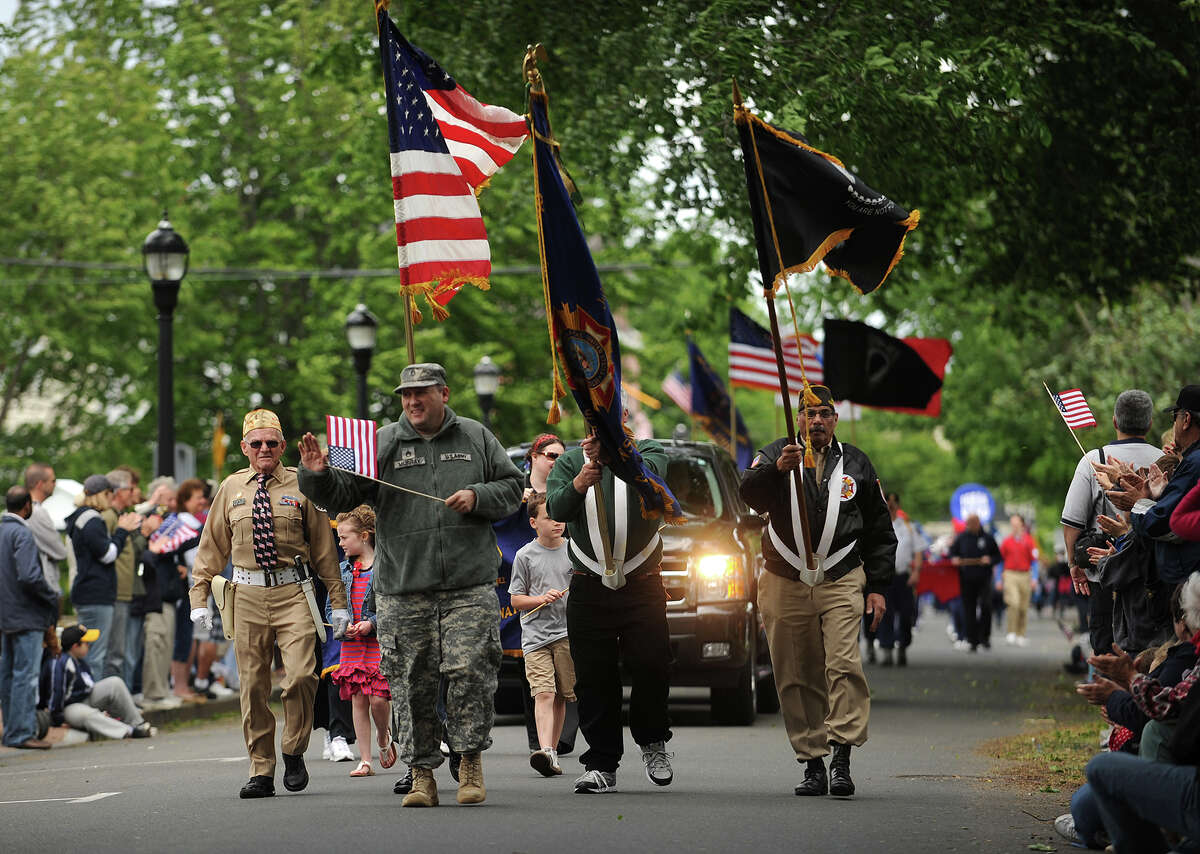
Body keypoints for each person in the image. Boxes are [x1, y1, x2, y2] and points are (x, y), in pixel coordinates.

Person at [299, 363, 523, 808]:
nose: (413, 401)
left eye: (422, 393)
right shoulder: (381, 442)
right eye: (406, 394)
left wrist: (478, 496)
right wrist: (317, 474)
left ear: (444, 393)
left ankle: (469, 761)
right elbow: (343, 495)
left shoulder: (475, 436)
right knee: (409, 682)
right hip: (403, 588)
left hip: (468, 585)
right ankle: (421, 773)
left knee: (471, 673)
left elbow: (513, 487)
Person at [739, 385, 896, 798]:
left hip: (841, 576)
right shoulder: (776, 454)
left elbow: (880, 529)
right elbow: (749, 494)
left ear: (835, 420)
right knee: (795, 672)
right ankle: (812, 762)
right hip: (783, 578)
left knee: (843, 663)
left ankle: (842, 756)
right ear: (798, 420)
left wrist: (878, 587)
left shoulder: (857, 463)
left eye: (825, 414)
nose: (817, 421)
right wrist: (776, 470)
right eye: (809, 414)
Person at [190, 408, 348, 799]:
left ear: (282, 446)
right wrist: (199, 596)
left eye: (272, 443)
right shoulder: (231, 487)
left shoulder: (301, 484)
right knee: (252, 685)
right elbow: (211, 546)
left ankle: (294, 749)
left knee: (302, 675)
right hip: (246, 595)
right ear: (244, 447)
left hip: (294, 591)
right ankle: (261, 768)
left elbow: (324, 549)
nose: (264, 449)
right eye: (257, 443)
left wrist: (339, 602)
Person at [546, 418, 676, 796]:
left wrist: (614, 455)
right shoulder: (571, 461)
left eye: (609, 417)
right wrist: (579, 483)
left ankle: (653, 742)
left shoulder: (649, 451)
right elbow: (556, 508)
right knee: (593, 677)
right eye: (594, 421)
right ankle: (601, 763)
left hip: (642, 583)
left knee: (652, 665)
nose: (600, 427)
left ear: (623, 418)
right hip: (589, 585)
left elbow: (650, 481)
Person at [1061, 389, 1162, 655]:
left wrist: (1074, 563)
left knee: (1108, 656)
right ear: (1150, 424)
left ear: (1115, 421)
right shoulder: (1165, 461)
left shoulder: (1093, 461)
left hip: (1106, 579)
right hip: (1153, 580)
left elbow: (1072, 521)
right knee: (1151, 656)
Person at [510, 492, 576, 777]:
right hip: (536, 637)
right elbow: (515, 599)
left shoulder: (575, 550)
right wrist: (540, 598)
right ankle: (546, 749)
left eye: (560, 517)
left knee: (561, 695)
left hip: (567, 635)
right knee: (544, 693)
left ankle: (552, 753)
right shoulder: (524, 555)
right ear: (534, 522)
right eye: (549, 518)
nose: (557, 522)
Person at [330, 505, 393, 779]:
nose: (340, 543)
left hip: (377, 642)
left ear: (364, 536)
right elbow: (331, 607)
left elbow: (392, 605)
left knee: (378, 699)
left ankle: (383, 734)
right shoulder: (342, 570)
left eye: (345, 537)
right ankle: (365, 760)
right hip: (353, 645)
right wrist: (342, 625)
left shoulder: (384, 567)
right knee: (358, 700)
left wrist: (372, 624)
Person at [65, 475, 143, 674]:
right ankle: (93, 694)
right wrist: (122, 531)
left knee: (92, 653)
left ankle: (90, 692)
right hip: (95, 593)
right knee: (95, 655)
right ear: (102, 494)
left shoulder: (84, 516)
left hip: (89, 592)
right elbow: (108, 555)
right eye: (110, 494)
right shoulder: (91, 519)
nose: (112, 498)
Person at [0, 486, 58, 749]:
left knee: (8, 675)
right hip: (26, 614)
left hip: (6, 615)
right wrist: (51, 595)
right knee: (25, 676)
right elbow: (29, 576)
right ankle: (21, 733)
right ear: (27, 506)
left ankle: (11, 731)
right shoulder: (21, 532)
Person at [47, 623, 154, 740]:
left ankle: (138, 724)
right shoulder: (62, 662)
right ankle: (129, 731)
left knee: (115, 683)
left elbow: (89, 686)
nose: (89, 646)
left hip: (84, 699)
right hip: (68, 708)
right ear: (75, 646)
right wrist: (58, 720)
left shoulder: (79, 661)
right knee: (87, 715)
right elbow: (56, 694)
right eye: (86, 643)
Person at [877, 492, 923, 667]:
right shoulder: (878, 525)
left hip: (903, 575)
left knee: (906, 613)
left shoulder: (908, 527)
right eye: (888, 501)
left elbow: (918, 551)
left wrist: (916, 572)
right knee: (885, 613)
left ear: (898, 505)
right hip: (885, 576)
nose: (891, 505)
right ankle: (887, 649)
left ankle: (903, 646)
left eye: (894, 502)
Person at [948, 515, 1001, 653]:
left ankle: (985, 637)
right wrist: (954, 559)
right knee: (969, 609)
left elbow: (998, 556)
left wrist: (990, 560)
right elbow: (952, 554)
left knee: (986, 606)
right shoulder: (961, 538)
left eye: (973, 523)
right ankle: (972, 640)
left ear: (978, 523)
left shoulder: (988, 538)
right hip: (966, 578)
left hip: (984, 578)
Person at [23, 463, 67, 606]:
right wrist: (46, 553)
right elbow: (61, 552)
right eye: (53, 480)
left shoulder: (22, 510)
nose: (55, 484)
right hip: (42, 589)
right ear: (40, 484)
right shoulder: (36, 513)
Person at [999, 514, 1038, 647]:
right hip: (1010, 574)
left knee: (1023, 606)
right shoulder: (1006, 541)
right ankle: (1011, 632)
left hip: (1025, 575)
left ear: (1022, 525)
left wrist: (1035, 578)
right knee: (1013, 603)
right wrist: (999, 579)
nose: (1014, 526)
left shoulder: (1029, 541)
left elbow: (1034, 561)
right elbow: (1001, 561)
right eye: (1012, 524)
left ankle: (1021, 634)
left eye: (1016, 524)